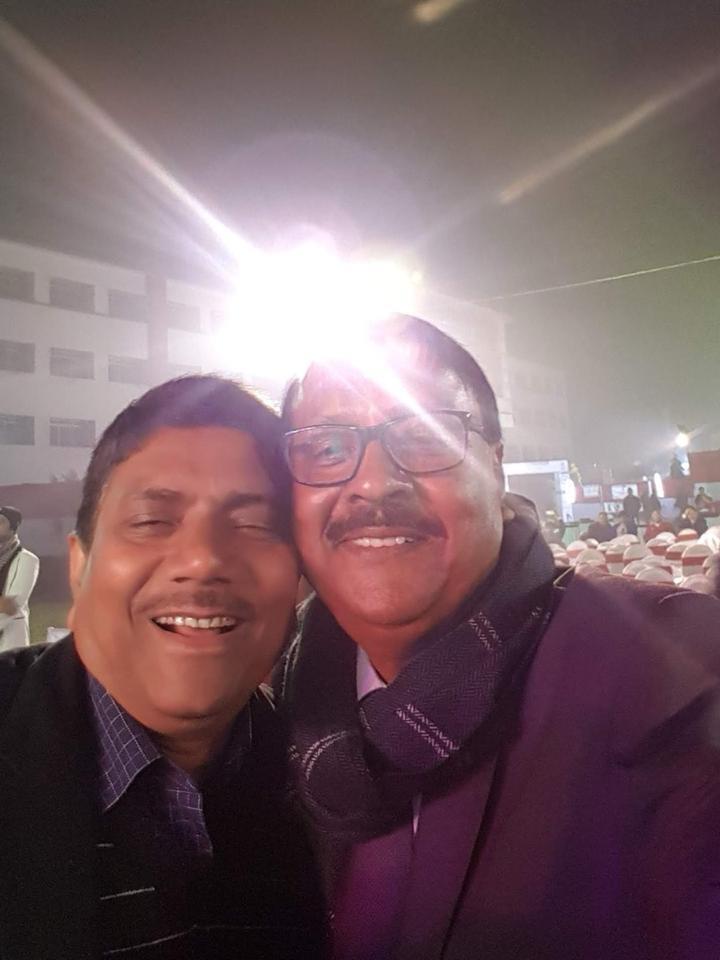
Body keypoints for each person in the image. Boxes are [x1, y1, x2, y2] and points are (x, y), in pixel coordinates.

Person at [277, 314, 720, 960]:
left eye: (423, 436)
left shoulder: (667, 668)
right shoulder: (279, 711)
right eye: (325, 450)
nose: (372, 483)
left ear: (496, 466)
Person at [0, 376, 325, 959]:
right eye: (152, 520)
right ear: (79, 567)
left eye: (254, 524)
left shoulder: (331, 792)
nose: (203, 560)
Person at [0, 505, 39, 651]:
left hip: (10, 646)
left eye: (1, 521)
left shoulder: (27, 559)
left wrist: (6, 604)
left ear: (13, 527)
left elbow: (12, 605)